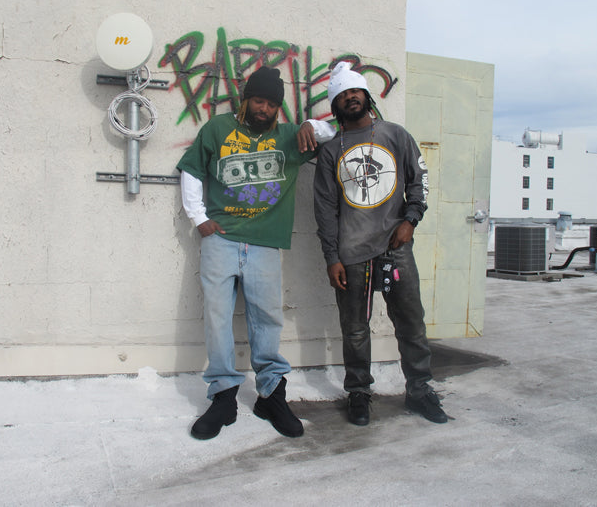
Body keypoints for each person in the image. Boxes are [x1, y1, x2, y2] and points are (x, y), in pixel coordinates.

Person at [177, 66, 335, 440]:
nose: (264, 109)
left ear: (279, 108)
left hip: (265, 242)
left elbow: (333, 131)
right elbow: (193, 170)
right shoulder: (218, 129)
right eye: (258, 101)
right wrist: (198, 217)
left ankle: (271, 395)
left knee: (267, 318)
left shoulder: (290, 136)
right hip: (221, 238)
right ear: (246, 100)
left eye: (271, 104)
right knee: (217, 317)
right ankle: (223, 398)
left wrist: (311, 124)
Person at [313, 61, 447, 426]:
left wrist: (410, 221)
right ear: (335, 105)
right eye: (342, 94)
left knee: (411, 323)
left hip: (395, 247)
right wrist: (331, 257)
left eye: (355, 91)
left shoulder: (395, 135)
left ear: (367, 96)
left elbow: (418, 181)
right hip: (351, 255)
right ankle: (358, 392)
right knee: (355, 329)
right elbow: (325, 210)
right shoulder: (331, 151)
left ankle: (419, 390)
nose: (350, 97)